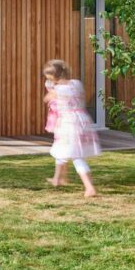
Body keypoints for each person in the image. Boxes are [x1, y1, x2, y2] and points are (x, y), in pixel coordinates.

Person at [43, 59, 101, 196]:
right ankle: (57, 179)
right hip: (82, 120)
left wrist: (51, 88)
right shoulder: (76, 84)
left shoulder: (57, 90)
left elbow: (46, 99)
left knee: (76, 155)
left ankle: (89, 187)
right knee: (62, 150)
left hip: (68, 123)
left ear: (54, 77)